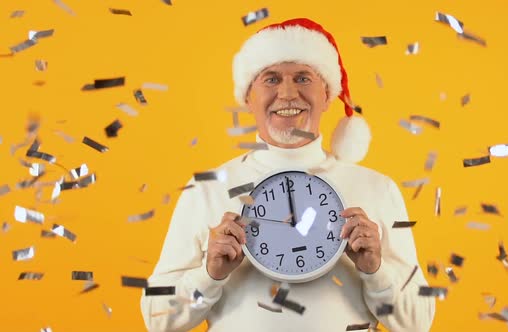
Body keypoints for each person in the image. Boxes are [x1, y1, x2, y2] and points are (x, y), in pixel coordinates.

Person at [141, 18, 435, 332]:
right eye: (270, 79)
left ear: (327, 95)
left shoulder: (377, 189)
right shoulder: (206, 190)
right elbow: (157, 320)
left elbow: (418, 323)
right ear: (247, 97)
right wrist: (209, 273)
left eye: (303, 77)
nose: (287, 93)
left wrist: (376, 270)